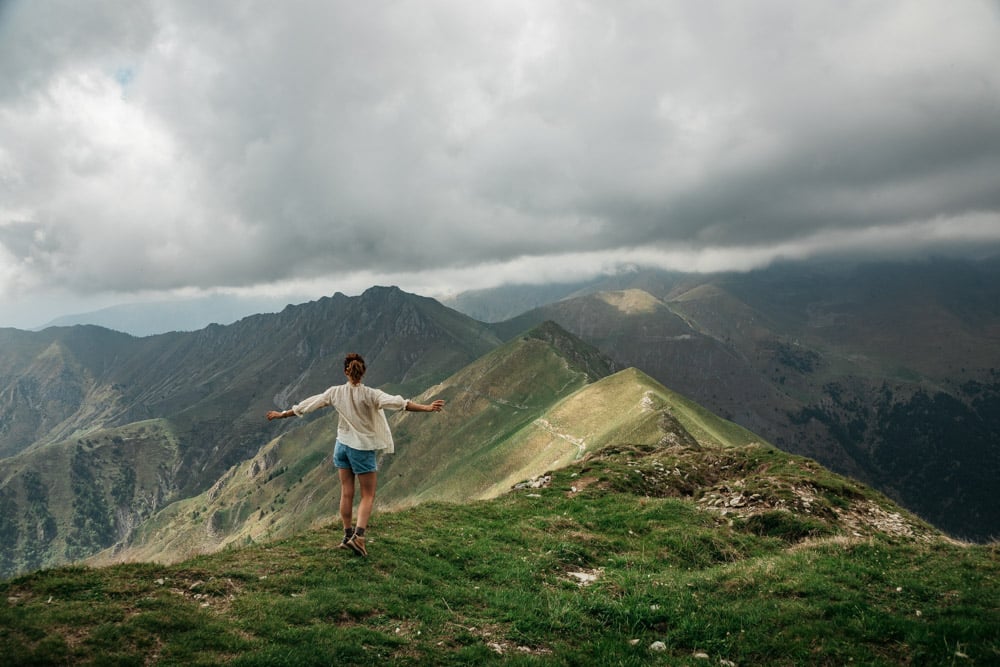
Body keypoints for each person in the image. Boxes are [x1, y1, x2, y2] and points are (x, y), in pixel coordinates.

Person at [267, 352, 445, 556]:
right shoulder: (371, 394)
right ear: (364, 372)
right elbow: (401, 404)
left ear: (346, 371)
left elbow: (309, 405)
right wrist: (428, 408)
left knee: (346, 492)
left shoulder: (335, 392)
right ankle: (359, 538)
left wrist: (282, 414)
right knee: (368, 494)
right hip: (361, 449)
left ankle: (346, 535)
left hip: (341, 446)